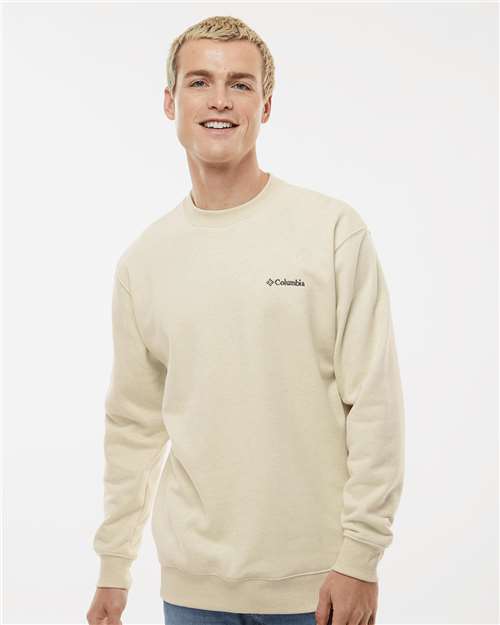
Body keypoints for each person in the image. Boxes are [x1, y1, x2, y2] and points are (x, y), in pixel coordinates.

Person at [86, 14, 405, 625]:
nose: (220, 100)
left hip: (318, 586)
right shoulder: (144, 262)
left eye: (240, 84)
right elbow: (133, 425)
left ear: (266, 105)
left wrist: (361, 556)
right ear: (170, 102)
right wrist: (114, 565)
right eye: (199, 82)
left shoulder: (332, 232)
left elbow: (375, 403)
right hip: (192, 589)